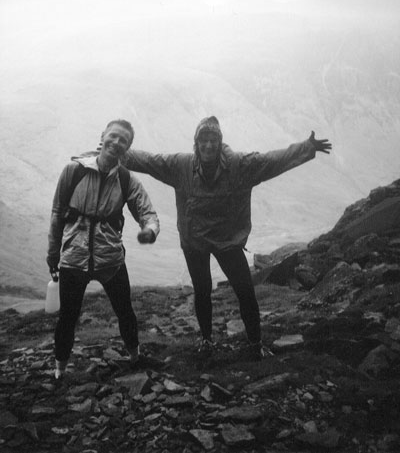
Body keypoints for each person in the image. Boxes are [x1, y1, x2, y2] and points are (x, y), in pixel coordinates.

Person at [81, 116, 331, 360]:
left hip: (228, 240)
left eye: (213, 140)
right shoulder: (182, 166)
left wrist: (307, 147)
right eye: (203, 140)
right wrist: (116, 152)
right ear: (196, 143)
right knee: (202, 291)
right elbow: (149, 161)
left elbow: (273, 160)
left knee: (245, 291)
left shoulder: (240, 165)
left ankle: (255, 344)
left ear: (220, 142)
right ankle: (206, 341)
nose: (208, 145)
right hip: (195, 241)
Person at [46, 119, 160, 379]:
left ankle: (135, 357)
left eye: (124, 141)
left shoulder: (125, 178)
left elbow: (147, 212)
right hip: (73, 257)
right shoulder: (73, 171)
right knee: (68, 316)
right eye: (114, 136)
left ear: (127, 148)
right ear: (103, 137)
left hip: (110, 259)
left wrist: (149, 230)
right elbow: (57, 213)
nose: (117, 143)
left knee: (125, 311)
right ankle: (59, 370)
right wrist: (53, 253)